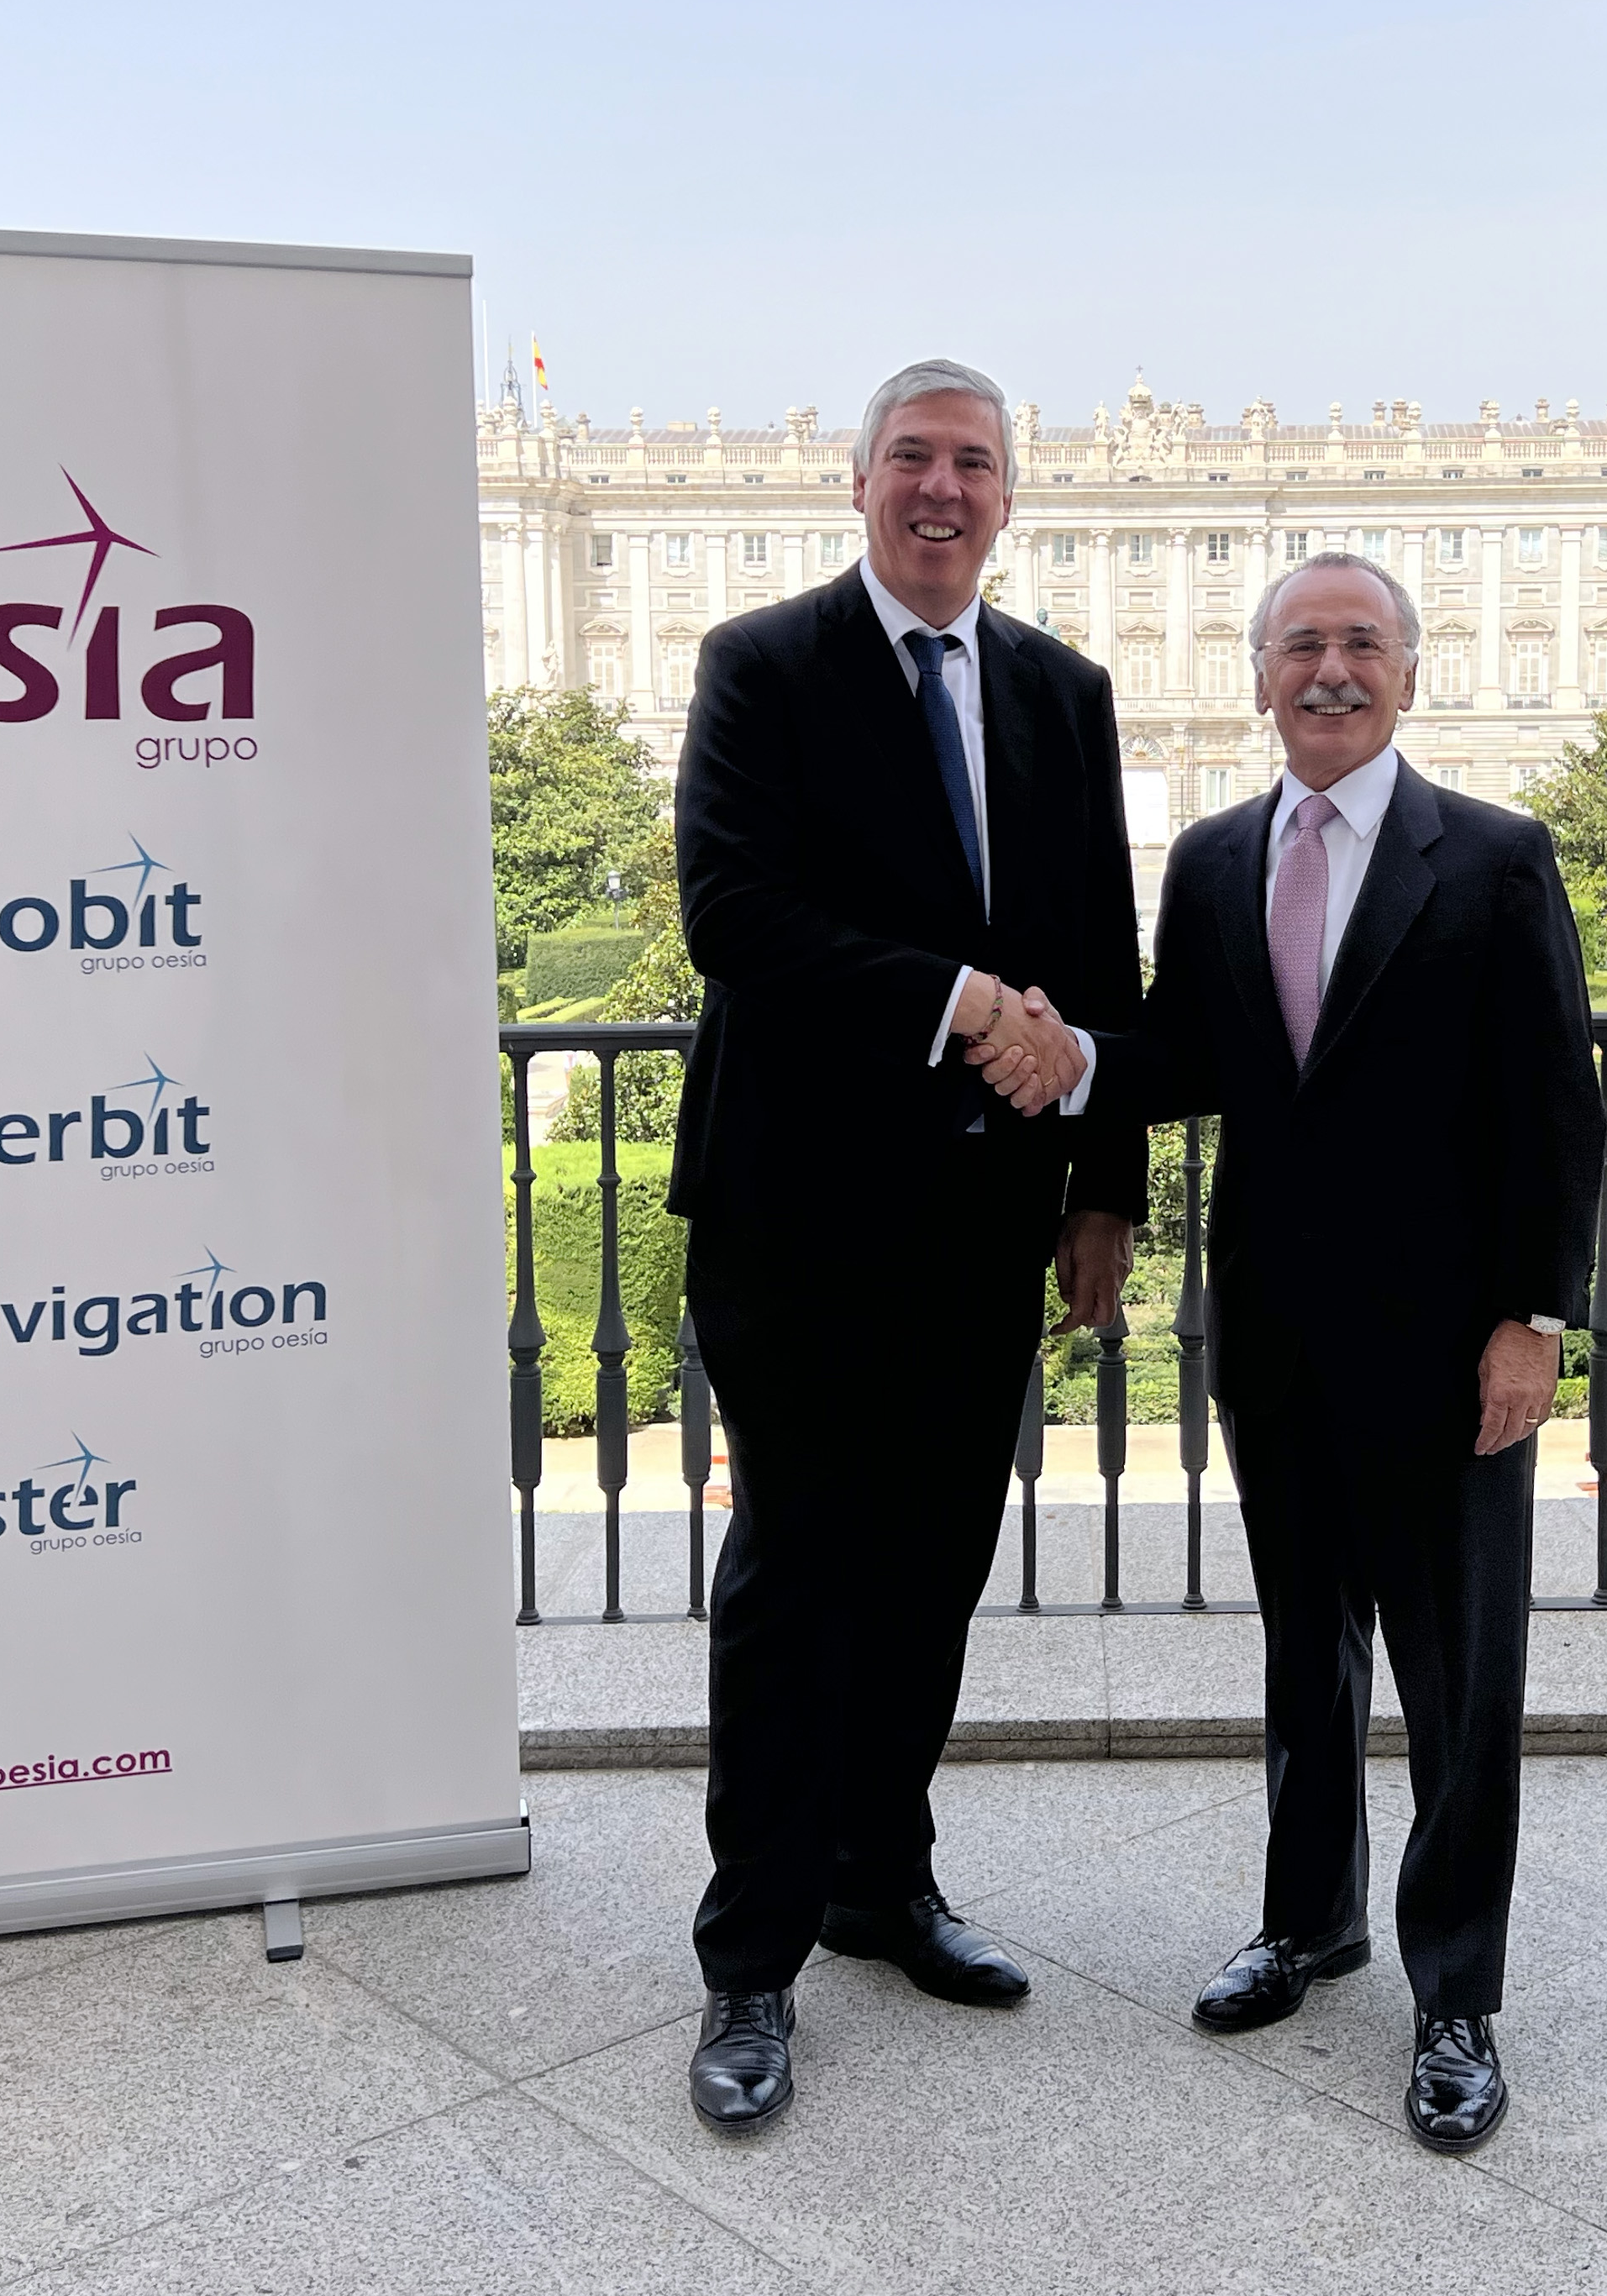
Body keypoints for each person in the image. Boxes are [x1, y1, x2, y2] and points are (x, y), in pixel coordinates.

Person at [973, 550, 1600, 2152]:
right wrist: (1071, 1055)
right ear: (1256, 675)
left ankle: (1454, 1993)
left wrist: (1532, 1319)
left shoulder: (1497, 855)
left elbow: (1554, 1106)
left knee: (1457, 1684)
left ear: (1409, 672)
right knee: (1303, 1656)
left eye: (1361, 643)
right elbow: (1184, 1054)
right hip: (1273, 1331)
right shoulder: (1209, 856)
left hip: (1449, 1348)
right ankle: (1307, 1921)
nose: (1331, 669)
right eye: (1301, 644)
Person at [668, 357, 1135, 2133]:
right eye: (914, 459)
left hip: (982, 1213)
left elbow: (1097, 946)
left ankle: (882, 1882)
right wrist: (957, 1001)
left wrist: (1101, 1187)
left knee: (934, 1566)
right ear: (856, 482)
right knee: (797, 1576)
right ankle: (751, 1958)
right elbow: (731, 912)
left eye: (975, 464)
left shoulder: (1064, 692)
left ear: (1010, 495)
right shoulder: (761, 664)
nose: (944, 489)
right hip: (793, 1210)